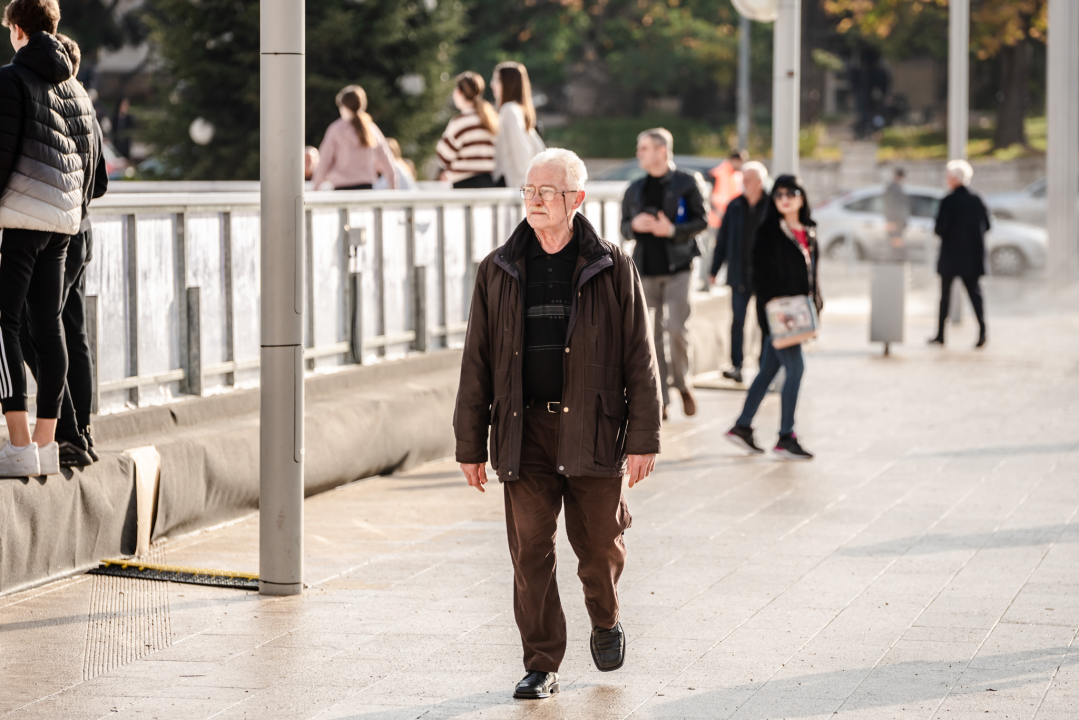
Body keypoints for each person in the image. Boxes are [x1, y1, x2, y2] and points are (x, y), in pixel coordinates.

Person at [454, 148, 661, 701]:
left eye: (548, 192)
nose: (536, 201)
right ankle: (542, 662)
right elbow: (476, 361)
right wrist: (470, 444)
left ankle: (605, 615)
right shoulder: (497, 268)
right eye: (530, 191)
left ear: (578, 199)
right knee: (530, 552)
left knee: (598, 548)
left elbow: (640, 357)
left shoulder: (613, 265)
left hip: (593, 430)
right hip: (524, 435)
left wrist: (644, 437)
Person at [0, 0, 95, 477]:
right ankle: (45, 443)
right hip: (63, 225)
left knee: (4, 324)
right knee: (49, 326)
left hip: (18, 221)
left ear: (18, 29)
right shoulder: (76, 90)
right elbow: (92, 164)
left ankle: (18, 446)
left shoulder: (11, 79)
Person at [17, 32, 107, 467]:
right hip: (80, 228)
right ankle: (81, 433)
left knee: (34, 329)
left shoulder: (38, 96)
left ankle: (65, 432)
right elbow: (101, 180)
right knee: (73, 333)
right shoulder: (83, 104)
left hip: (50, 232)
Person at [725, 175, 822, 461]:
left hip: (801, 313)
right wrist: (772, 312)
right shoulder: (768, 230)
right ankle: (785, 436)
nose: (785, 198)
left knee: (768, 370)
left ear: (801, 197)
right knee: (796, 369)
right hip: (780, 316)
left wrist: (817, 304)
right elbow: (760, 276)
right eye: (779, 194)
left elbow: (813, 276)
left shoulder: (809, 230)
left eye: (791, 193)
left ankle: (742, 425)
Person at [620, 128, 708, 420]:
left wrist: (671, 230)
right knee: (650, 335)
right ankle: (661, 398)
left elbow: (702, 220)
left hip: (679, 267)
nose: (638, 154)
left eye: (643, 148)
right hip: (644, 269)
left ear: (661, 151)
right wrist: (636, 225)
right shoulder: (634, 188)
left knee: (676, 330)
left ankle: (683, 384)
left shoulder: (687, 182)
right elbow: (623, 226)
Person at [709, 160, 769, 384]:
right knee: (737, 321)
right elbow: (722, 240)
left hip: (764, 277)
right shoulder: (734, 206)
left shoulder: (771, 204)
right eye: (742, 179)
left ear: (760, 181)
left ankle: (765, 368)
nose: (744, 183)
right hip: (739, 274)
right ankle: (737, 365)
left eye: (749, 180)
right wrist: (714, 269)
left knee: (766, 324)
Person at [929, 159, 989, 348]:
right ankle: (982, 332)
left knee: (944, 296)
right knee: (975, 295)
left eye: (948, 176)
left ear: (955, 178)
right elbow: (987, 225)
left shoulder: (948, 200)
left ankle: (940, 334)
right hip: (972, 257)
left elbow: (940, 228)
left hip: (951, 257)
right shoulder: (977, 199)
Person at [311, 85, 396, 191]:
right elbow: (387, 160)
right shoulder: (372, 129)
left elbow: (324, 161)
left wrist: (315, 187)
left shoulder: (336, 129)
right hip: (366, 189)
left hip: (342, 190)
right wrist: (393, 186)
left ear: (343, 106)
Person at [436, 71, 498, 189]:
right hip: (488, 183)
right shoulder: (489, 119)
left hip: (465, 184)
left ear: (459, 92)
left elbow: (443, 156)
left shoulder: (459, 122)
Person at [491, 61, 544, 189]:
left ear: (509, 83)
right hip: (516, 183)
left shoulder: (509, 109)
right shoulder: (518, 110)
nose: (492, 84)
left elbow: (520, 149)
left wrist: (525, 181)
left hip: (511, 183)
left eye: (497, 80)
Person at [708, 149, 747, 228]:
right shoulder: (717, 173)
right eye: (740, 162)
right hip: (715, 220)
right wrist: (718, 213)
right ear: (734, 160)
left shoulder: (738, 175)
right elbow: (707, 197)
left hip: (730, 219)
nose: (741, 164)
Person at [883, 167, 909, 257]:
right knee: (895, 241)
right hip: (895, 220)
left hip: (894, 219)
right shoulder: (893, 188)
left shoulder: (894, 187)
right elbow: (893, 206)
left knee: (896, 241)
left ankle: (897, 258)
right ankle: (896, 259)